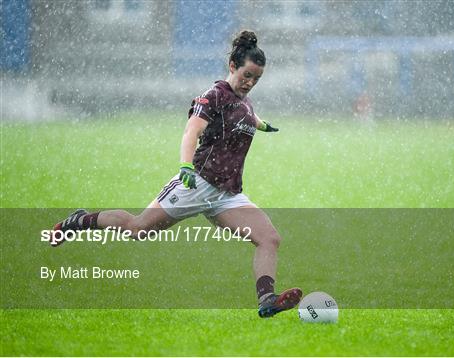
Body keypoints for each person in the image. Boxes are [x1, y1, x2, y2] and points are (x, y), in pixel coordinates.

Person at [51, 30, 301, 318]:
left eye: (256, 78)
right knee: (137, 230)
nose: (250, 82)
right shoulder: (214, 96)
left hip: (226, 194)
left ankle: (267, 299)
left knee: (269, 238)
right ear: (232, 66)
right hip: (196, 184)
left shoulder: (244, 101)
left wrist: (262, 124)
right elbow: (192, 130)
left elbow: (245, 115)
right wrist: (185, 165)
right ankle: (81, 221)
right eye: (246, 75)